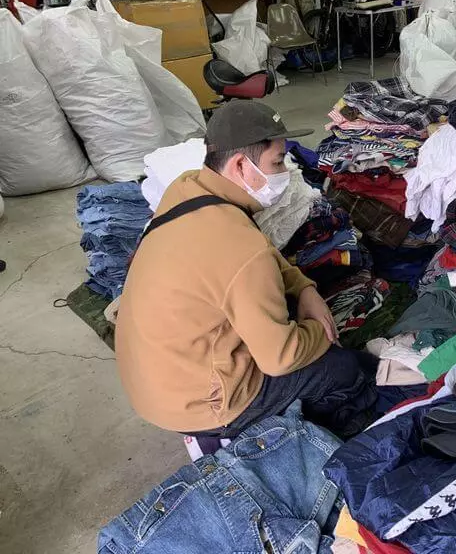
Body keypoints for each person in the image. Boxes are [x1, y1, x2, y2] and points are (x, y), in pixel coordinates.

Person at [115, 100, 376, 440]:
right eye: (277, 162)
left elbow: (259, 251)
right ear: (240, 165)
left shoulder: (189, 188)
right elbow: (280, 358)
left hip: (153, 381)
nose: (285, 172)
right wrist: (319, 330)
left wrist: (304, 287)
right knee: (347, 370)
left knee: (283, 305)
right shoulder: (241, 249)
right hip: (200, 405)